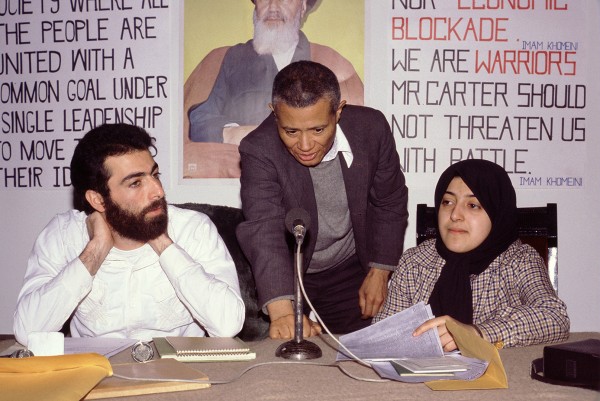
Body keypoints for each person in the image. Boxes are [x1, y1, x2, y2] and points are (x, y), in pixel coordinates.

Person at [13, 124, 245, 346]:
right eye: (136, 183)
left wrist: (161, 240)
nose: (158, 191)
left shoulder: (192, 228)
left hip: (178, 372)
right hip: (97, 376)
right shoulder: (64, 235)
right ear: (98, 200)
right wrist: (95, 250)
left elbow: (227, 325)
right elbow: (28, 332)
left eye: (155, 175)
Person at [236, 61, 409, 338]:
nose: (305, 146)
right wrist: (282, 312)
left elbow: (389, 201)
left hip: (347, 268)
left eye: (318, 130)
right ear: (274, 112)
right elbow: (263, 227)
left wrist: (380, 270)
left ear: (338, 111)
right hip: (286, 271)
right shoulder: (258, 149)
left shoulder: (371, 129)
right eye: (291, 131)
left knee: (360, 353)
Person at [374, 159, 570, 350]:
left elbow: (554, 316)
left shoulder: (520, 261)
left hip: (500, 379)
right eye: (447, 202)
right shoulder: (415, 262)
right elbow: (382, 334)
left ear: (497, 213)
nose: (454, 215)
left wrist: (476, 333)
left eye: (473, 205)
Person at [186, 0, 363, 145]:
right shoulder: (235, 57)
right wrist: (235, 133)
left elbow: (353, 129)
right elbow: (200, 120)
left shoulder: (329, 61)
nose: (273, 7)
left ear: (302, 8)